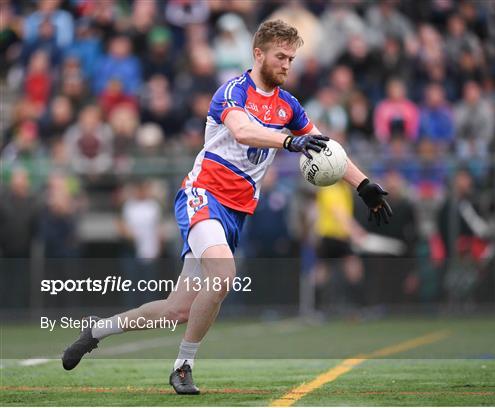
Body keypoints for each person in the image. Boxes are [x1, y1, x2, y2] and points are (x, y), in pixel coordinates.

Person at [61, 19, 392, 395]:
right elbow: (242, 131)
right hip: (203, 195)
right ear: (258, 53)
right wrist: (289, 143)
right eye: (280, 56)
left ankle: (96, 330)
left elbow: (324, 146)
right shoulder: (233, 91)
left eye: (292, 58)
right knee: (223, 273)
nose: (287, 64)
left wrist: (363, 184)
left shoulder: (289, 106)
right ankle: (183, 366)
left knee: (177, 310)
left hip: (235, 213)